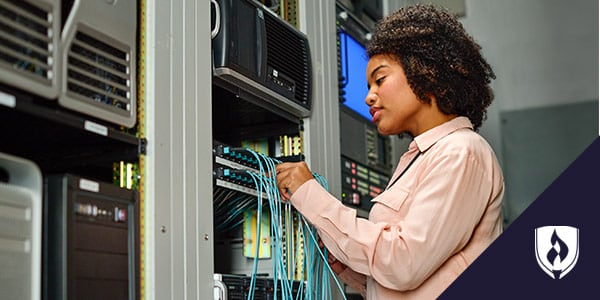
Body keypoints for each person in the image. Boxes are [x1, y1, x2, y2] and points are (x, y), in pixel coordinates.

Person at [275, 4, 503, 299]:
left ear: (427, 73)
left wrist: (311, 196)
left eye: (380, 80)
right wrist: (347, 267)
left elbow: (403, 262)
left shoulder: (461, 152)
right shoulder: (423, 157)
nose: (369, 95)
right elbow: (420, 279)